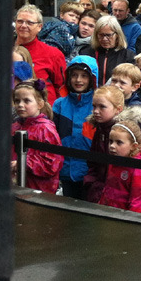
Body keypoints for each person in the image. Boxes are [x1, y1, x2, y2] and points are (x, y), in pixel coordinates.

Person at [52, 56, 98, 200]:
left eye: (84, 76)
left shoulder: (98, 103)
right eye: (74, 75)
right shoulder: (60, 104)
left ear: (92, 78)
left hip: (90, 171)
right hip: (65, 169)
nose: (79, 80)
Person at [11, 80, 63, 193]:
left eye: (26, 101)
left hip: (38, 189)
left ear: (40, 104)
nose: (20, 105)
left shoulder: (46, 129)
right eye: (17, 101)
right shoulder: (14, 126)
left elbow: (52, 163)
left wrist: (24, 163)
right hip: (15, 185)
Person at [99, 116, 141, 214]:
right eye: (111, 141)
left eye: (119, 142)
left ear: (133, 146)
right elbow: (107, 190)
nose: (112, 146)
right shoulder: (115, 162)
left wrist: (131, 222)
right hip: (111, 215)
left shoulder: (139, 168)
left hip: (126, 220)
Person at [15, 4, 65, 105]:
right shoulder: (3, 50)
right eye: (20, 21)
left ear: (39, 27)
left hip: (43, 112)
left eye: (29, 22)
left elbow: (62, 89)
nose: (23, 25)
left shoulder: (53, 54)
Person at [83, 85, 127, 203]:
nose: (96, 111)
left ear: (118, 109)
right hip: (98, 189)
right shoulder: (100, 129)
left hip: (116, 193)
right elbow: (93, 160)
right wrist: (91, 183)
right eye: (94, 106)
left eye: (102, 107)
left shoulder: (122, 134)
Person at [109, 63, 141, 146]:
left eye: (122, 83)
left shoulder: (139, 112)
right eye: (114, 81)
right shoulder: (107, 105)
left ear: (135, 87)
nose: (116, 85)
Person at [86, 15, 135, 85]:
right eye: (101, 35)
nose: (104, 39)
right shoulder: (88, 53)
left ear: (117, 35)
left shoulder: (128, 56)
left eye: (108, 35)